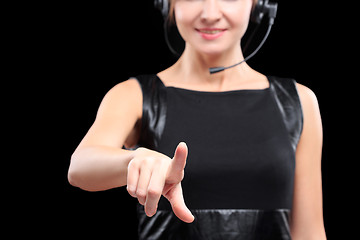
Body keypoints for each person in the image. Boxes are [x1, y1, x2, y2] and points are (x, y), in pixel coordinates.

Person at [68, 0, 327, 239]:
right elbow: (80, 166)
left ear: (258, 4)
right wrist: (136, 159)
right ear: (167, 4)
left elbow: (309, 232)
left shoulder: (299, 101)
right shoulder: (134, 94)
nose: (210, 14)